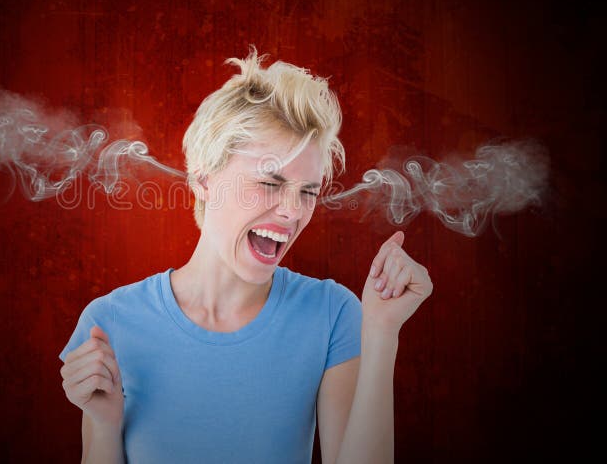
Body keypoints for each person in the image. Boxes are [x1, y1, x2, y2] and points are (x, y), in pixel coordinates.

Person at [58, 46, 433, 464]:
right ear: (203, 179)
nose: (293, 211)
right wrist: (107, 425)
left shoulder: (332, 315)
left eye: (307, 191)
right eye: (269, 183)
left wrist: (380, 333)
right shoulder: (109, 323)